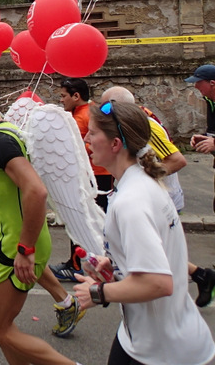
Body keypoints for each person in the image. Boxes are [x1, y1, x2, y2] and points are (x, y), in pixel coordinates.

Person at [74, 100, 215, 365]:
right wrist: (116, 264)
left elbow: (158, 283)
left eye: (93, 133)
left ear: (115, 144)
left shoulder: (132, 201)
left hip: (164, 350)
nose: (86, 138)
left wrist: (99, 293)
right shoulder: (138, 182)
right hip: (143, 338)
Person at [0, 78, 79, 365]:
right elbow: (12, 188)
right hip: (9, 238)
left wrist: (26, 249)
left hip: (16, 245)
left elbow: (36, 190)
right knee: (3, 329)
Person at [102, 85, 215, 308]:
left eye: (106, 107)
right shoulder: (133, 125)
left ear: (121, 107)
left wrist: (140, 180)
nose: (103, 112)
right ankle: (201, 276)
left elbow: (178, 160)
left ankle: (176, 294)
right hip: (151, 197)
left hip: (163, 198)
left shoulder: (146, 125)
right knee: (160, 251)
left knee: (158, 254)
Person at [50, 78, 113, 282]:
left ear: (76, 96)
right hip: (101, 174)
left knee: (80, 220)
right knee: (94, 220)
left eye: (63, 96)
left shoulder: (79, 119)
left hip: (90, 176)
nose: (61, 100)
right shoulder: (92, 110)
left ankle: (77, 266)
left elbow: (71, 148)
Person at [186, 64, 215, 211]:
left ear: (212, 83)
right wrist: (204, 137)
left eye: (199, 82)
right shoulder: (210, 101)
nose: (195, 86)